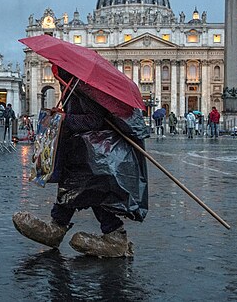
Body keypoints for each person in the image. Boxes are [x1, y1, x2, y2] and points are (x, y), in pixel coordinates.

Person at [13, 66, 147, 257]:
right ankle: (61, 227)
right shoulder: (74, 86)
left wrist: (65, 119)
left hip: (94, 153)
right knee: (82, 191)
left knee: (88, 190)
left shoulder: (84, 87)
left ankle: (109, 234)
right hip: (84, 151)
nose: (53, 73)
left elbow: (93, 120)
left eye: (56, 69)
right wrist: (61, 114)